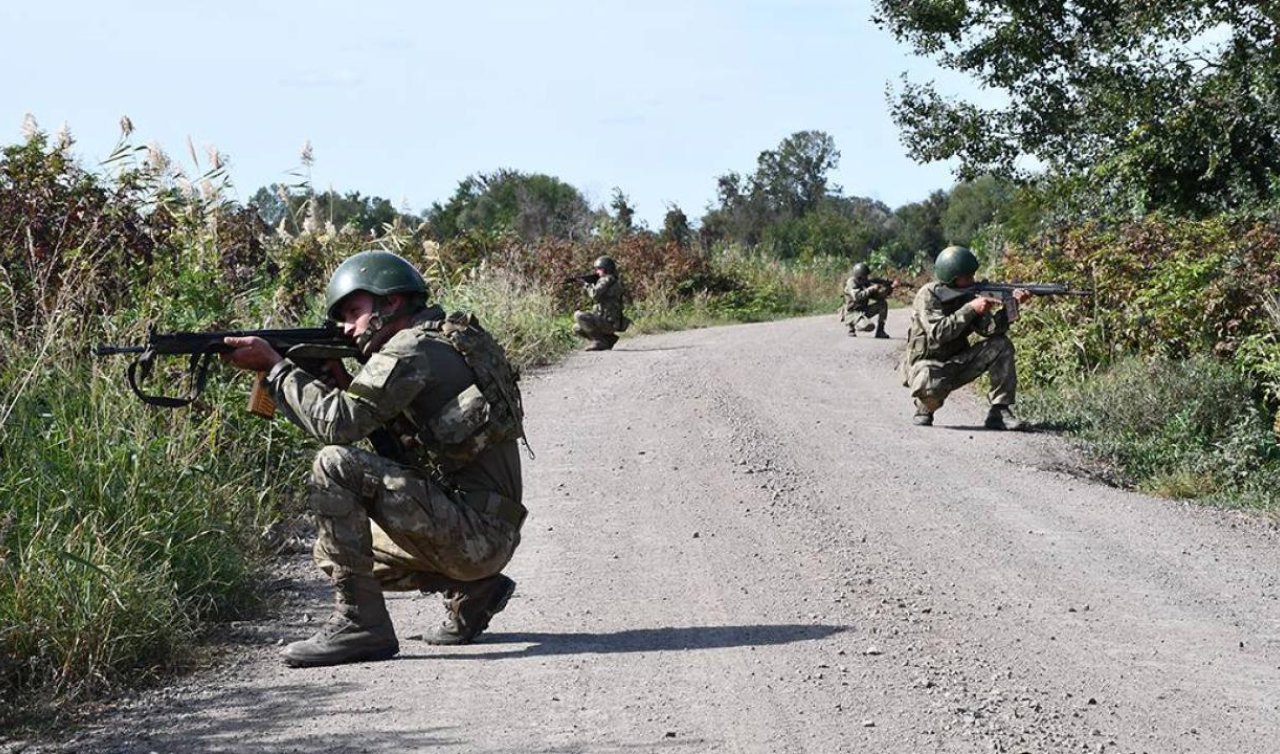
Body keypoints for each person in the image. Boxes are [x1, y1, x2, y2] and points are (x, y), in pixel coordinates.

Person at [221, 249, 527, 667]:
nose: (346, 328)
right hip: (484, 532)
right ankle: (475, 590)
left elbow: (340, 426)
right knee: (331, 551)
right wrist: (344, 381)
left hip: (475, 536)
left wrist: (275, 369)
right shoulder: (443, 339)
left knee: (333, 464)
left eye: (353, 311)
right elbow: (410, 449)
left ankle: (360, 626)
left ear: (391, 302)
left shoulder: (409, 350)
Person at [901, 245, 1032, 430]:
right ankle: (925, 407)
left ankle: (999, 412)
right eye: (967, 277)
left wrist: (1012, 306)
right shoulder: (929, 294)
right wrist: (971, 309)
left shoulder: (970, 294)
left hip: (958, 361)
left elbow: (990, 330)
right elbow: (939, 333)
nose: (973, 280)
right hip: (927, 364)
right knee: (931, 381)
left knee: (1001, 345)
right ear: (952, 277)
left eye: (973, 275)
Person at [572, 255, 627, 351]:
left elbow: (594, 294)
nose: (597, 272)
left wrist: (587, 285)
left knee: (579, 315)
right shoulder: (612, 280)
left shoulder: (607, 279)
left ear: (606, 269)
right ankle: (608, 340)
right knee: (577, 328)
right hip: (610, 321)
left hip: (609, 322)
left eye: (599, 269)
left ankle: (599, 341)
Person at [841, 262, 893, 338]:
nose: (867, 278)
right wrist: (871, 289)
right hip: (852, 312)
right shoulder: (851, 282)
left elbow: (879, 297)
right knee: (869, 326)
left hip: (863, 310)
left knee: (883, 304)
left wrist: (889, 288)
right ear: (859, 276)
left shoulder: (865, 283)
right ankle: (852, 325)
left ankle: (880, 331)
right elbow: (857, 297)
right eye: (865, 276)